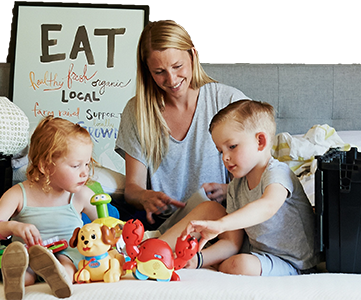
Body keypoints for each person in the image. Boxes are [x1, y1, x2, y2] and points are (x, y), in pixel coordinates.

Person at [115, 20, 248, 268]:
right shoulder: (137, 112)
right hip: (163, 221)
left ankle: (152, 256)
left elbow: (257, 174)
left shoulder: (227, 101)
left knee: (216, 214)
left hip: (217, 223)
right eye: (159, 72)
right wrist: (145, 196)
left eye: (177, 66)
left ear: (193, 55)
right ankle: (154, 254)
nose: (172, 79)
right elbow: (132, 188)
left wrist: (229, 189)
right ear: (147, 71)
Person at [185, 100, 319, 276]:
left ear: (260, 141)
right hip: (258, 255)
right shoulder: (235, 186)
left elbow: (267, 207)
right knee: (210, 216)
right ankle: (160, 250)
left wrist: (221, 224)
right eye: (221, 151)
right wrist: (198, 259)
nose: (225, 157)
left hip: (295, 263)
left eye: (232, 147)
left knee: (239, 265)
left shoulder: (277, 173)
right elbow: (233, 242)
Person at [0, 116, 98, 300]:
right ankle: (17, 281)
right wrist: (12, 227)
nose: (85, 172)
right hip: (29, 254)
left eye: (87, 164)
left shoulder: (81, 194)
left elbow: (107, 224)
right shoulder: (18, 194)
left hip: (67, 252)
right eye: (76, 165)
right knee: (25, 268)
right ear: (45, 166)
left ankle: (60, 277)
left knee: (68, 261)